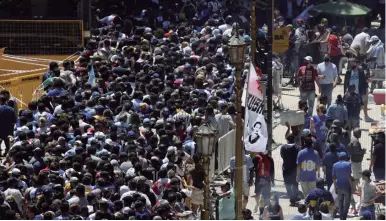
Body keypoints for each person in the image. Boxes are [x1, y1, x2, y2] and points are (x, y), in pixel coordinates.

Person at [280, 132, 300, 206]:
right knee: (295, 184)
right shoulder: (297, 148)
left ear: (287, 140)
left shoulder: (283, 147)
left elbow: (282, 156)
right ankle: (294, 198)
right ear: (294, 139)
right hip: (294, 169)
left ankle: (291, 197)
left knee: (287, 184)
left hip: (285, 168)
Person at [332, 152, 353, 220]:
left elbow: (334, 178)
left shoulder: (335, 165)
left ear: (339, 157)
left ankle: (341, 216)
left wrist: (335, 188)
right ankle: (344, 216)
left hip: (339, 186)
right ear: (346, 157)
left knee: (340, 202)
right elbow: (349, 177)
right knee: (347, 203)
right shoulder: (348, 164)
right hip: (347, 187)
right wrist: (352, 187)